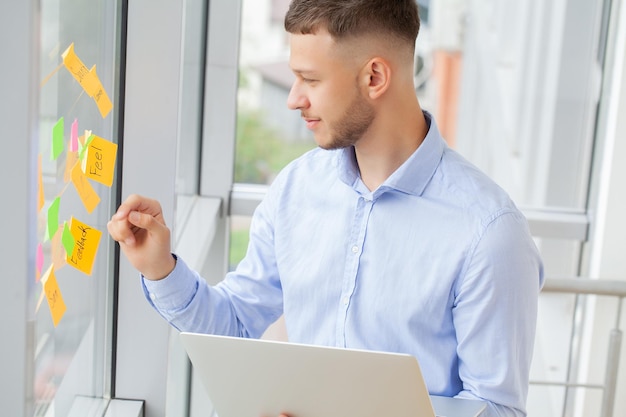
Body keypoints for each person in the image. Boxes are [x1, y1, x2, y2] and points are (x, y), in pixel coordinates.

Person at [108, 1, 544, 416]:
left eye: (310, 80)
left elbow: (496, 409)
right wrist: (160, 268)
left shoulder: (490, 233)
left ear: (374, 77)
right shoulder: (296, 188)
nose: (293, 98)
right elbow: (237, 324)